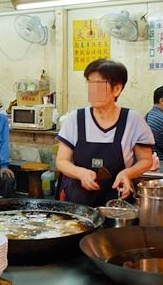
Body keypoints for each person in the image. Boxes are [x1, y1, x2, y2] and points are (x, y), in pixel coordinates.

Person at [56, 59, 154, 207]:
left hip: (118, 204)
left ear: (117, 89)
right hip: (79, 203)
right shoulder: (75, 119)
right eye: (90, 84)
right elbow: (61, 161)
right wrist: (80, 173)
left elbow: (146, 160)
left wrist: (127, 173)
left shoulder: (133, 120)